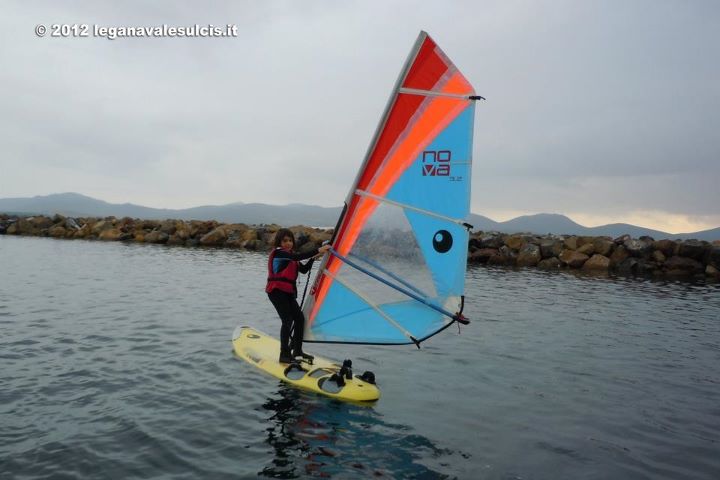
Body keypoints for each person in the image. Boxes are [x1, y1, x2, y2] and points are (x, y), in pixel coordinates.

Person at [266, 228, 331, 363]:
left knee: (300, 319)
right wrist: (319, 249)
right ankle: (284, 354)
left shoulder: (290, 256)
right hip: (276, 291)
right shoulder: (279, 253)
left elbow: (303, 270)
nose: (288, 243)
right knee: (287, 321)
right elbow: (298, 257)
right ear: (279, 242)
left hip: (287, 292)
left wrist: (313, 259)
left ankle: (297, 350)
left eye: (290, 241)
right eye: (285, 241)